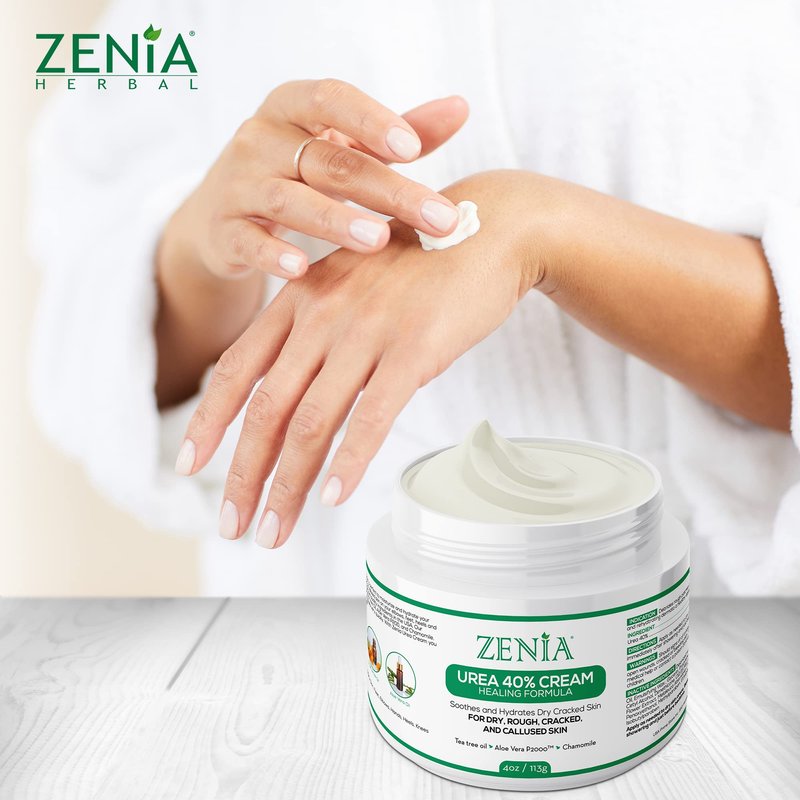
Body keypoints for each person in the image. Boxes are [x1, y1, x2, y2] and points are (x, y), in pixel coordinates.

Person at [28, 0, 800, 596]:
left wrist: (544, 230)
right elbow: (92, 316)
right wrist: (206, 245)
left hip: (720, 643)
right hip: (335, 644)